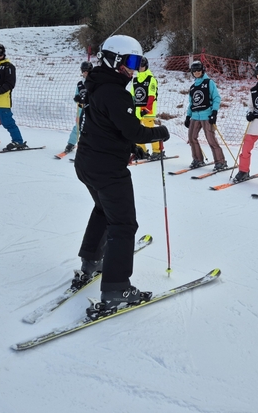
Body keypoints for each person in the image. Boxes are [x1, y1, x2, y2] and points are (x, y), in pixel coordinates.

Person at [73, 34, 170, 312]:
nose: (134, 67)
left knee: (103, 210)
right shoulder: (115, 92)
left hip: (87, 163)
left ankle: (91, 261)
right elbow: (133, 129)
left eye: (138, 62)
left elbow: (109, 125)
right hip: (107, 169)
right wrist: (160, 132)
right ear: (114, 59)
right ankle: (117, 288)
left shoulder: (98, 83)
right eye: (129, 61)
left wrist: (131, 147)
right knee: (124, 225)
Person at [184, 60, 227, 170]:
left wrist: (214, 112)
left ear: (202, 70)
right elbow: (191, 103)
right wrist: (188, 116)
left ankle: (220, 161)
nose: (197, 72)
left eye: (199, 70)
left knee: (210, 139)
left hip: (207, 115)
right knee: (192, 137)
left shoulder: (209, 82)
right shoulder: (193, 87)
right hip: (194, 116)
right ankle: (198, 159)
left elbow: (217, 98)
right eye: (194, 71)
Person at [130, 56, 164, 161]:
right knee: (137, 132)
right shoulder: (135, 80)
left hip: (148, 111)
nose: (140, 68)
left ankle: (158, 151)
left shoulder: (151, 79)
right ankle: (142, 151)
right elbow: (132, 96)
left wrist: (147, 109)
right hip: (137, 111)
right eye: (139, 66)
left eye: (142, 66)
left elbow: (151, 96)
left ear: (146, 66)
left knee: (150, 131)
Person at [63, 61, 92, 154]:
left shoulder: (93, 83)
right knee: (78, 126)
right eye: (83, 71)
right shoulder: (80, 84)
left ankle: (90, 147)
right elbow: (77, 95)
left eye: (87, 71)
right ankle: (71, 144)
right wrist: (77, 98)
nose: (85, 73)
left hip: (91, 110)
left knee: (90, 128)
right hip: (80, 109)